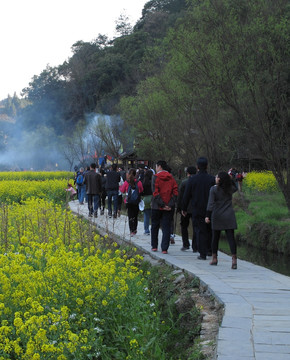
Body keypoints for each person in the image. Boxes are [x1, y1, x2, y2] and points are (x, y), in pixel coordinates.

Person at [182, 157, 215, 260]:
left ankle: (202, 253)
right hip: (210, 208)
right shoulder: (212, 179)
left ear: (197, 167)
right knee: (209, 229)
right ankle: (210, 250)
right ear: (207, 166)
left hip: (197, 208)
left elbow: (186, 195)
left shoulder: (192, 180)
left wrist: (184, 208)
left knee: (200, 230)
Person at [205, 171, 238, 269]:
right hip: (229, 215)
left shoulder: (214, 189)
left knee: (215, 237)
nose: (215, 178)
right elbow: (235, 186)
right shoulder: (230, 189)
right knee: (231, 238)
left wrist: (207, 215)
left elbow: (210, 204)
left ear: (219, 179)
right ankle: (234, 260)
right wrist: (230, 179)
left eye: (217, 177)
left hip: (217, 215)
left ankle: (214, 258)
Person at [151, 160, 178, 254]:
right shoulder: (172, 178)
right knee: (166, 227)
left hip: (156, 207)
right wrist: (169, 205)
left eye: (156, 166)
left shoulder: (155, 178)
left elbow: (155, 192)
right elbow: (175, 193)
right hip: (169, 207)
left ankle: (154, 246)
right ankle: (164, 248)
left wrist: (162, 204)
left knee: (155, 226)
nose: (156, 168)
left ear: (159, 167)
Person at [177, 166, 198, 251]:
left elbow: (180, 196)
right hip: (196, 207)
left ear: (188, 173)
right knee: (196, 226)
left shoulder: (184, 182)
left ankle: (186, 244)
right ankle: (195, 246)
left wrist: (179, 208)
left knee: (184, 225)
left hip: (185, 208)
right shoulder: (198, 182)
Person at [119, 168, 143, 236]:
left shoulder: (126, 182)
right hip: (136, 202)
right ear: (135, 174)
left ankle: (131, 230)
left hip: (128, 201)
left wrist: (120, 187)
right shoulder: (139, 182)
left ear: (129, 174)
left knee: (130, 216)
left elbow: (123, 190)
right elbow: (141, 190)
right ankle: (134, 229)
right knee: (135, 216)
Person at [141, 169, 153, 235]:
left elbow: (141, 192)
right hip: (152, 198)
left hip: (145, 199)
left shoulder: (144, 182)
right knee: (153, 216)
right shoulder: (153, 182)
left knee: (146, 215)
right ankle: (153, 229)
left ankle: (146, 230)